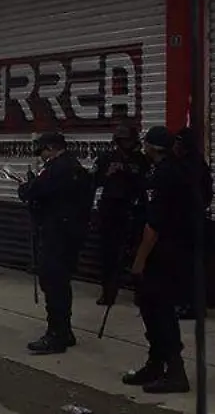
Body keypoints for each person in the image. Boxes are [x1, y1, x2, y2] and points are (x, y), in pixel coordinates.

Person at [124, 126, 196, 394]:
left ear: (153, 147)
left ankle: (175, 372)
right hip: (171, 252)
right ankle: (156, 364)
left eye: (146, 144)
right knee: (150, 310)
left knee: (161, 312)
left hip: (161, 256)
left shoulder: (164, 175)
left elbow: (153, 225)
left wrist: (139, 260)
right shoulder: (171, 170)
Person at [17, 131, 94, 354]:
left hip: (56, 234)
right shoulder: (75, 167)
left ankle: (56, 334)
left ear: (51, 147)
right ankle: (65, 330)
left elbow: (33, 192)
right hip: (71, 233)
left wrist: (26, 186)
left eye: (42, 150)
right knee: (61, 282)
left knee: (53, 284)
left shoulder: (57, 169)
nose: (41, 155)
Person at [92, 125, 149, 305]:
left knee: (136, 253)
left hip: (133, 209)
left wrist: (130, 173)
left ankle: (140, 292)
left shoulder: (142, 160)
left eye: (128, 140)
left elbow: (148, 183)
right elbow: (93, 181)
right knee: (108, 254)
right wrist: (108, 174)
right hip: (110, 210)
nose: (125, 144)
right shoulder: (106, 158)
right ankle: (108, 291)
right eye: (122, 140)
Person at [172, 126, 213, 320]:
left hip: (187, 222)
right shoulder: (198, 164)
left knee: (187, 266)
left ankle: (190, 305)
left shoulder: (185, 166)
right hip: (193, 220)